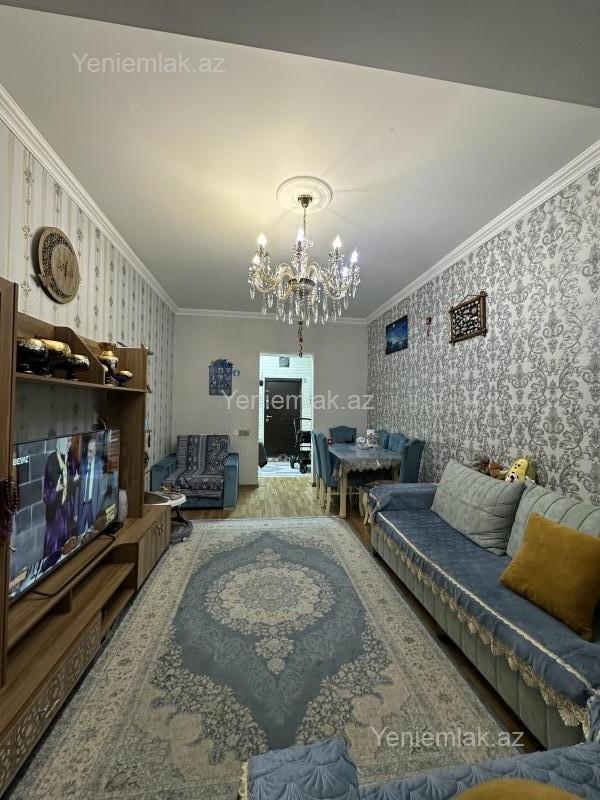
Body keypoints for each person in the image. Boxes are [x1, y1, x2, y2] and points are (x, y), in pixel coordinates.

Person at [42, 436, 79, 559]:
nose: (70, 444)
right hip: (55, 517)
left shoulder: (71, 458)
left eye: (70, 441)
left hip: (68, 512)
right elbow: (46, 496)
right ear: (62, 442)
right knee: (54, 554)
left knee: (69, 551)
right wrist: (56, 489)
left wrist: (75, 481)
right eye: (68, 441)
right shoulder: (51, 460)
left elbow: (74, 485)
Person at [77, 434, 103, 535]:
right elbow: (77, 489)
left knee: (92, 534)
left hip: (93, 505)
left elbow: (99, 491)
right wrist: (75, 512)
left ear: (95, 451)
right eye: (88, 451)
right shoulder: (82, 464)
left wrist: (98, 511)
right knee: (80, 533)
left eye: (91, 451)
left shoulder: (99, 465)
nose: (89, 454)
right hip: (82, 505)